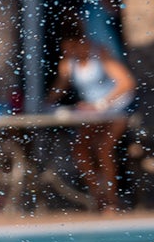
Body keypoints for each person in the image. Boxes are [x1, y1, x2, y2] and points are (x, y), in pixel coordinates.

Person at [51, 14, 136, 215]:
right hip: (92, 113)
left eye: (73, 48)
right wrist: (42, 104)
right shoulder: (68, 63)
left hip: (116, 108)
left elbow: (127, 83)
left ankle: (111, 199)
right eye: (67, 50)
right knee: (80, 150)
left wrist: (102, 103)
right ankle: (98, 194)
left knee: (103, 148)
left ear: (81, 41)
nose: (70, 52)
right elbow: (59, 90)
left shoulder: (101, 55)